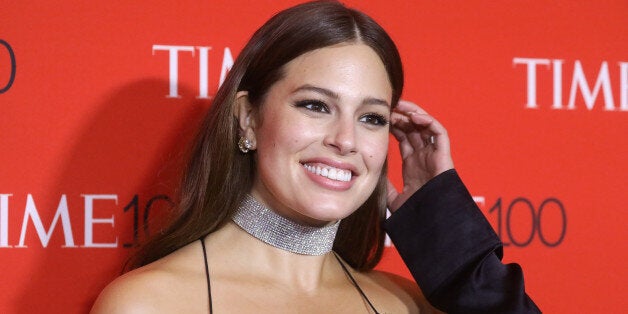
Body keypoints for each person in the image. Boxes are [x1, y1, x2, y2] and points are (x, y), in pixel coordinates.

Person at [92, 1, 540, 313]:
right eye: (315, 106)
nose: (345, 140)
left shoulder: (409, 305)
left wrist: (439, 222)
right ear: (247, 118)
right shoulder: (150, 305)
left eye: (371, 118)